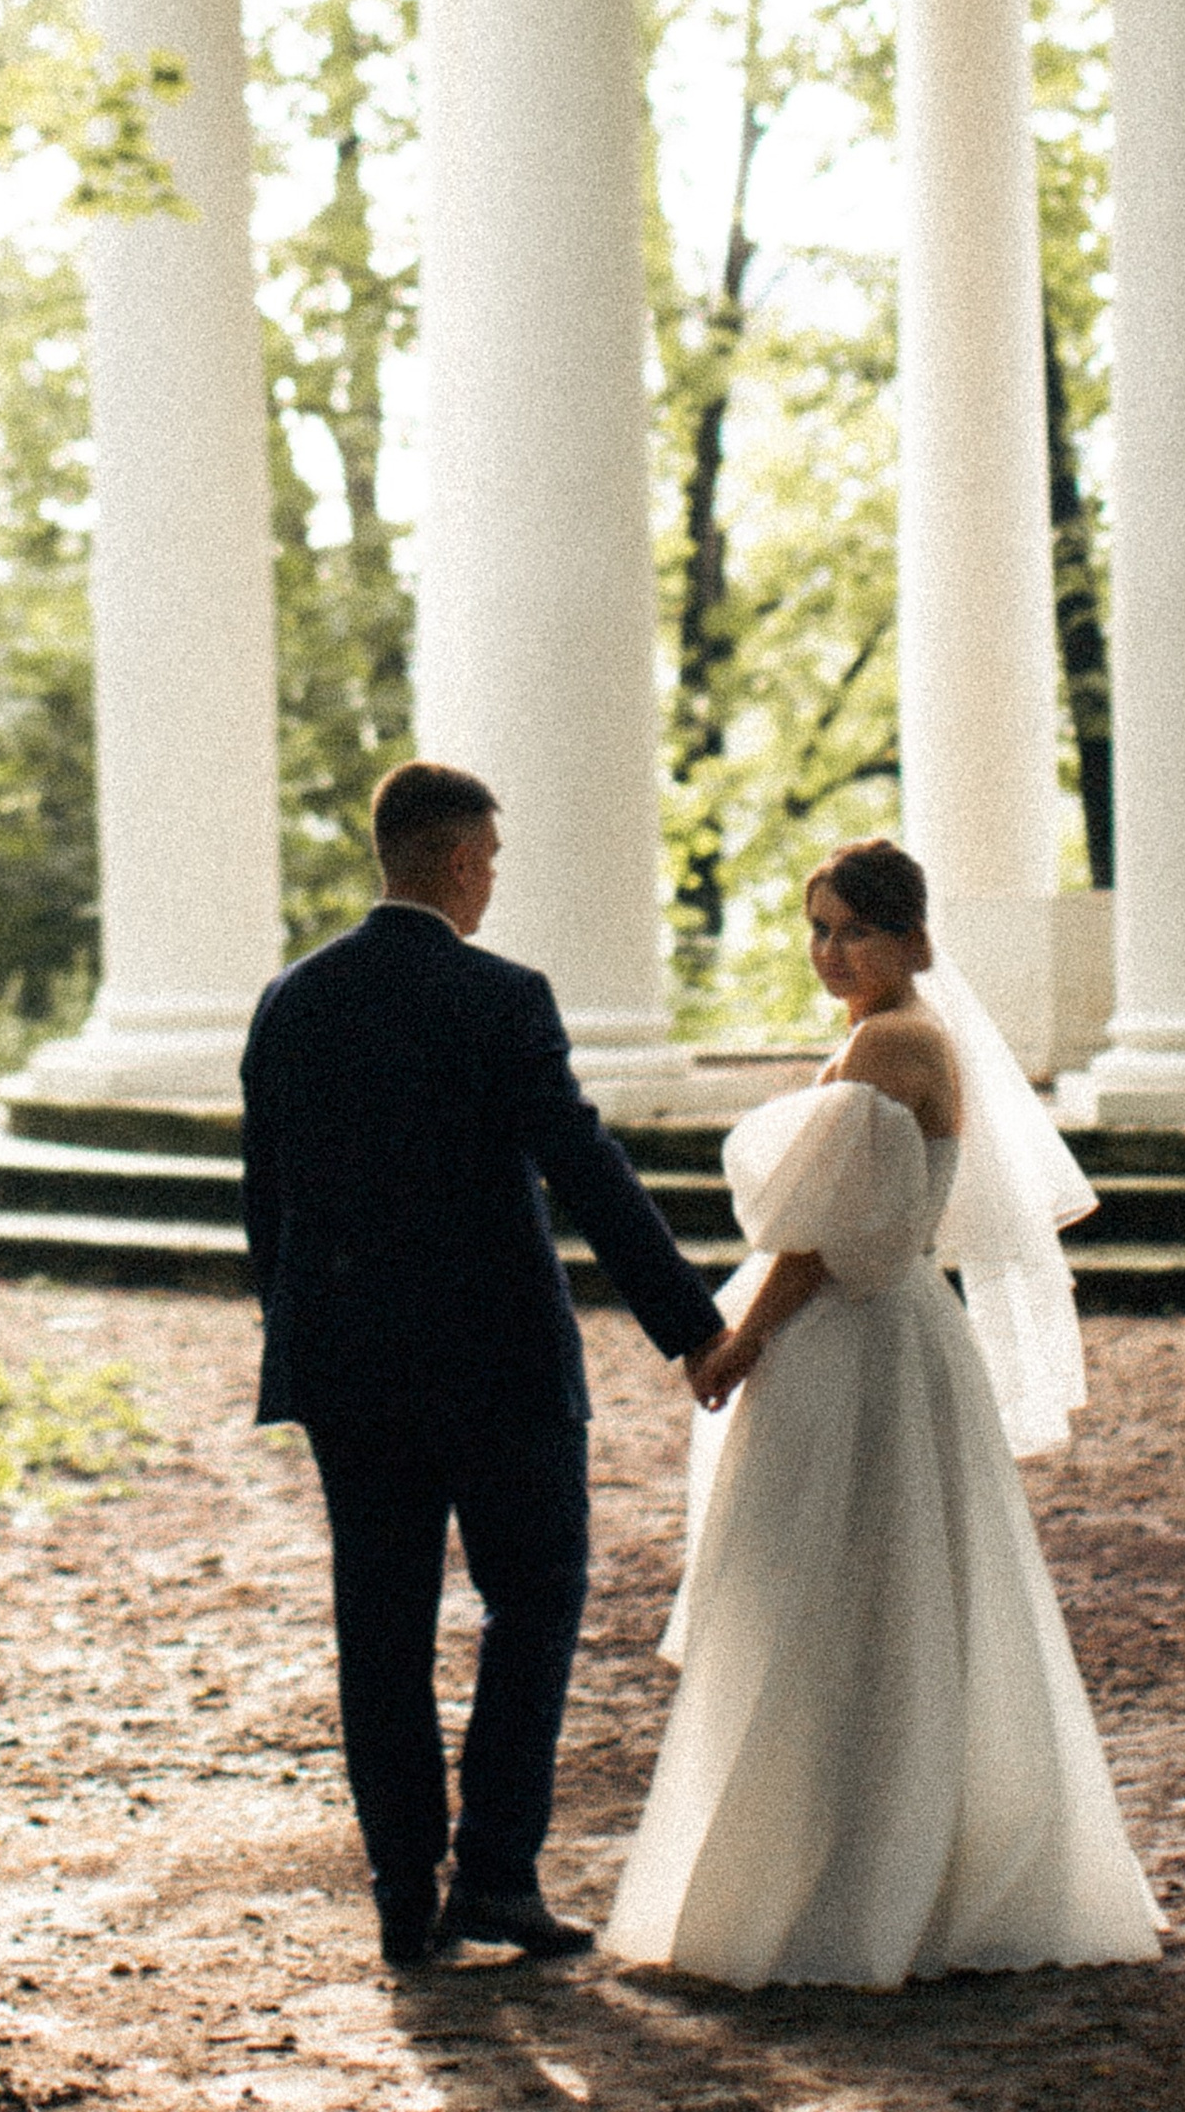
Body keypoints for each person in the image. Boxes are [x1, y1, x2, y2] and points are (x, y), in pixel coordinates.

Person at [603, 836, 1163, 1989]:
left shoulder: (894, 1042)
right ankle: (871, 1857)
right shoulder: (895, 1034)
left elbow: (824, 1239)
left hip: (856, 1339)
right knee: (876, 1588)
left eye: (854, 929)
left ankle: (846, 1880)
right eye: (818, 928)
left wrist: (742, 1341)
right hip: (891, 1332)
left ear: (911, 938)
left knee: (826, 1588)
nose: (830, 949)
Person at [241, 759, 732, 1971]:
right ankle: (498, 1876)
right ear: (461, 861)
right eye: (493, 860)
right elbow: (584, 1166)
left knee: (381, 1624)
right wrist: (692, 1323)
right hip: (497, 1364)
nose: (493, 880)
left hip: (350, 1368)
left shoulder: (291, 1000)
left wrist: (300, 1339)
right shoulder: (501, 996)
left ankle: (403, 1892)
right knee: (536, 1598)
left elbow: (267, 1204)